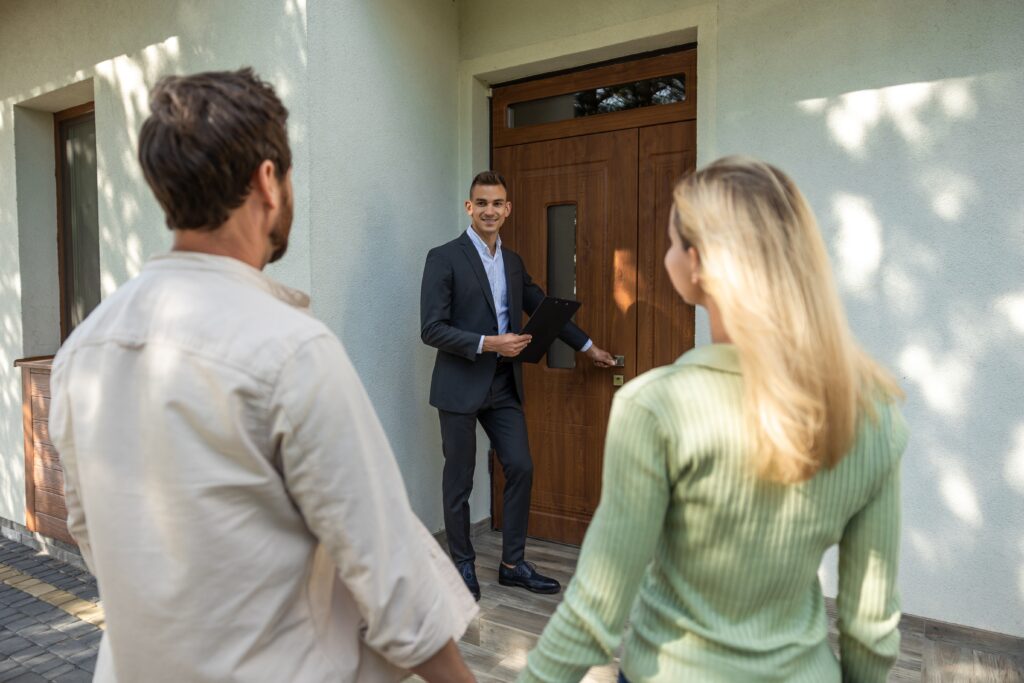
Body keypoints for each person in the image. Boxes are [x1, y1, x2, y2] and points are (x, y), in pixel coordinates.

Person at [49, 68, 477, 683]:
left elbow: (92, 535)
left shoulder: (82, 350)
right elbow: (393, 579)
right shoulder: (292, 349)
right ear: (267, 181)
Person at [519, 157, 908, 683]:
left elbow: (595, 609)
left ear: (696, 262)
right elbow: (871, 629)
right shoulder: (874, 413)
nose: (667, 255)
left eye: (671, 243)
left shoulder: (655, 406)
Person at [420, 171, 616, 600]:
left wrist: (587, 347)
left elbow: (544, 309)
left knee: (521, 466)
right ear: (469, 208)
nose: (489, 211)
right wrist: (490, 342)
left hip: (503, 385)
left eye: (497, 204)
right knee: (460, 481)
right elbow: (431, 329)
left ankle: (513, 564)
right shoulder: (444, 257)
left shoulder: (512, 262)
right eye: (481, 203)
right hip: (459, 386)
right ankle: (462, 564)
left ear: (507, 209)